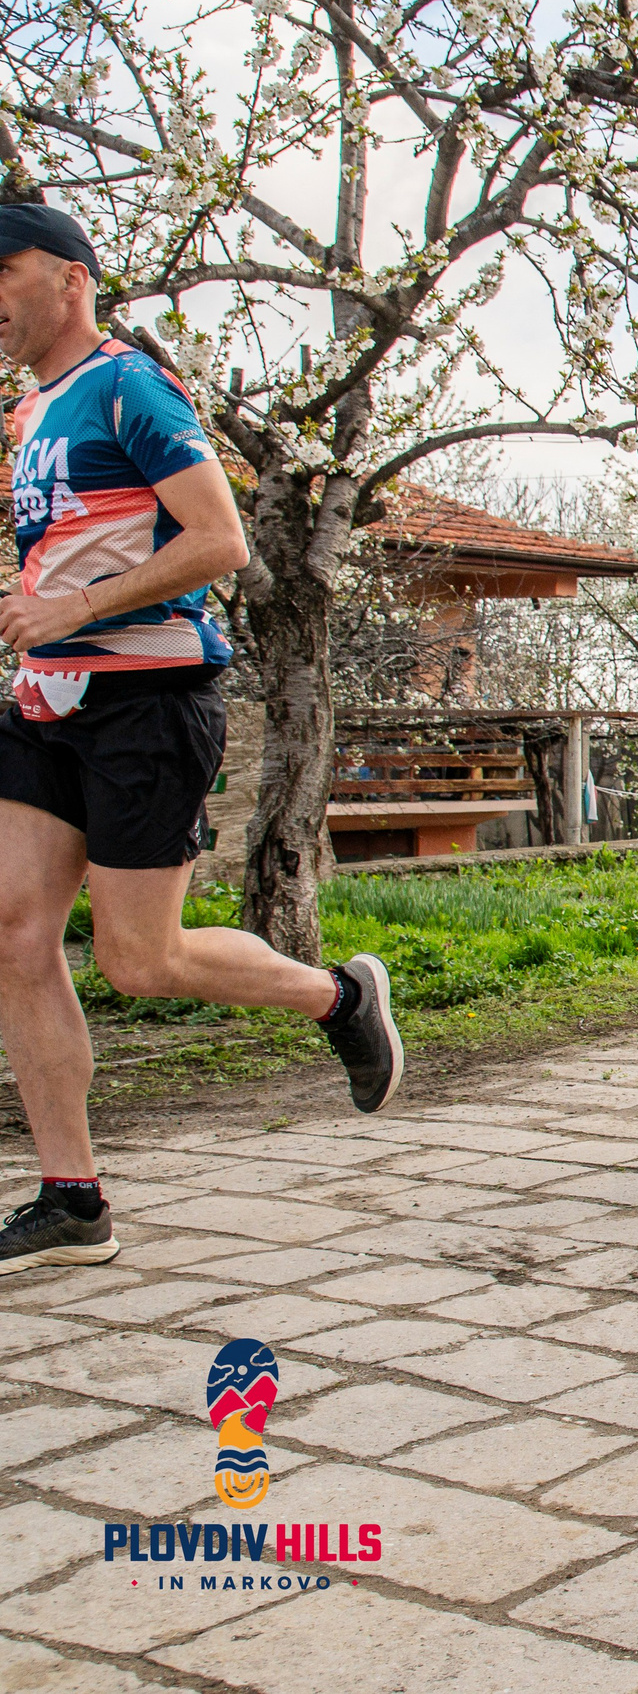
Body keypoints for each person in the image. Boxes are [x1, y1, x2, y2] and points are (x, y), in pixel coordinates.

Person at [0, 203, 403, 1277]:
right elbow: (71, 555)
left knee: (142, 959)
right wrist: (34, 607)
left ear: (71, 278)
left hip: (149, 701)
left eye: (4, 270)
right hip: (48, 703)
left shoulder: (129, 385)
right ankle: (72, 1194)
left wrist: (72, 612)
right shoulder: (27, 413)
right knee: (14, 932)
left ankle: (340, 995)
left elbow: (220, 538)